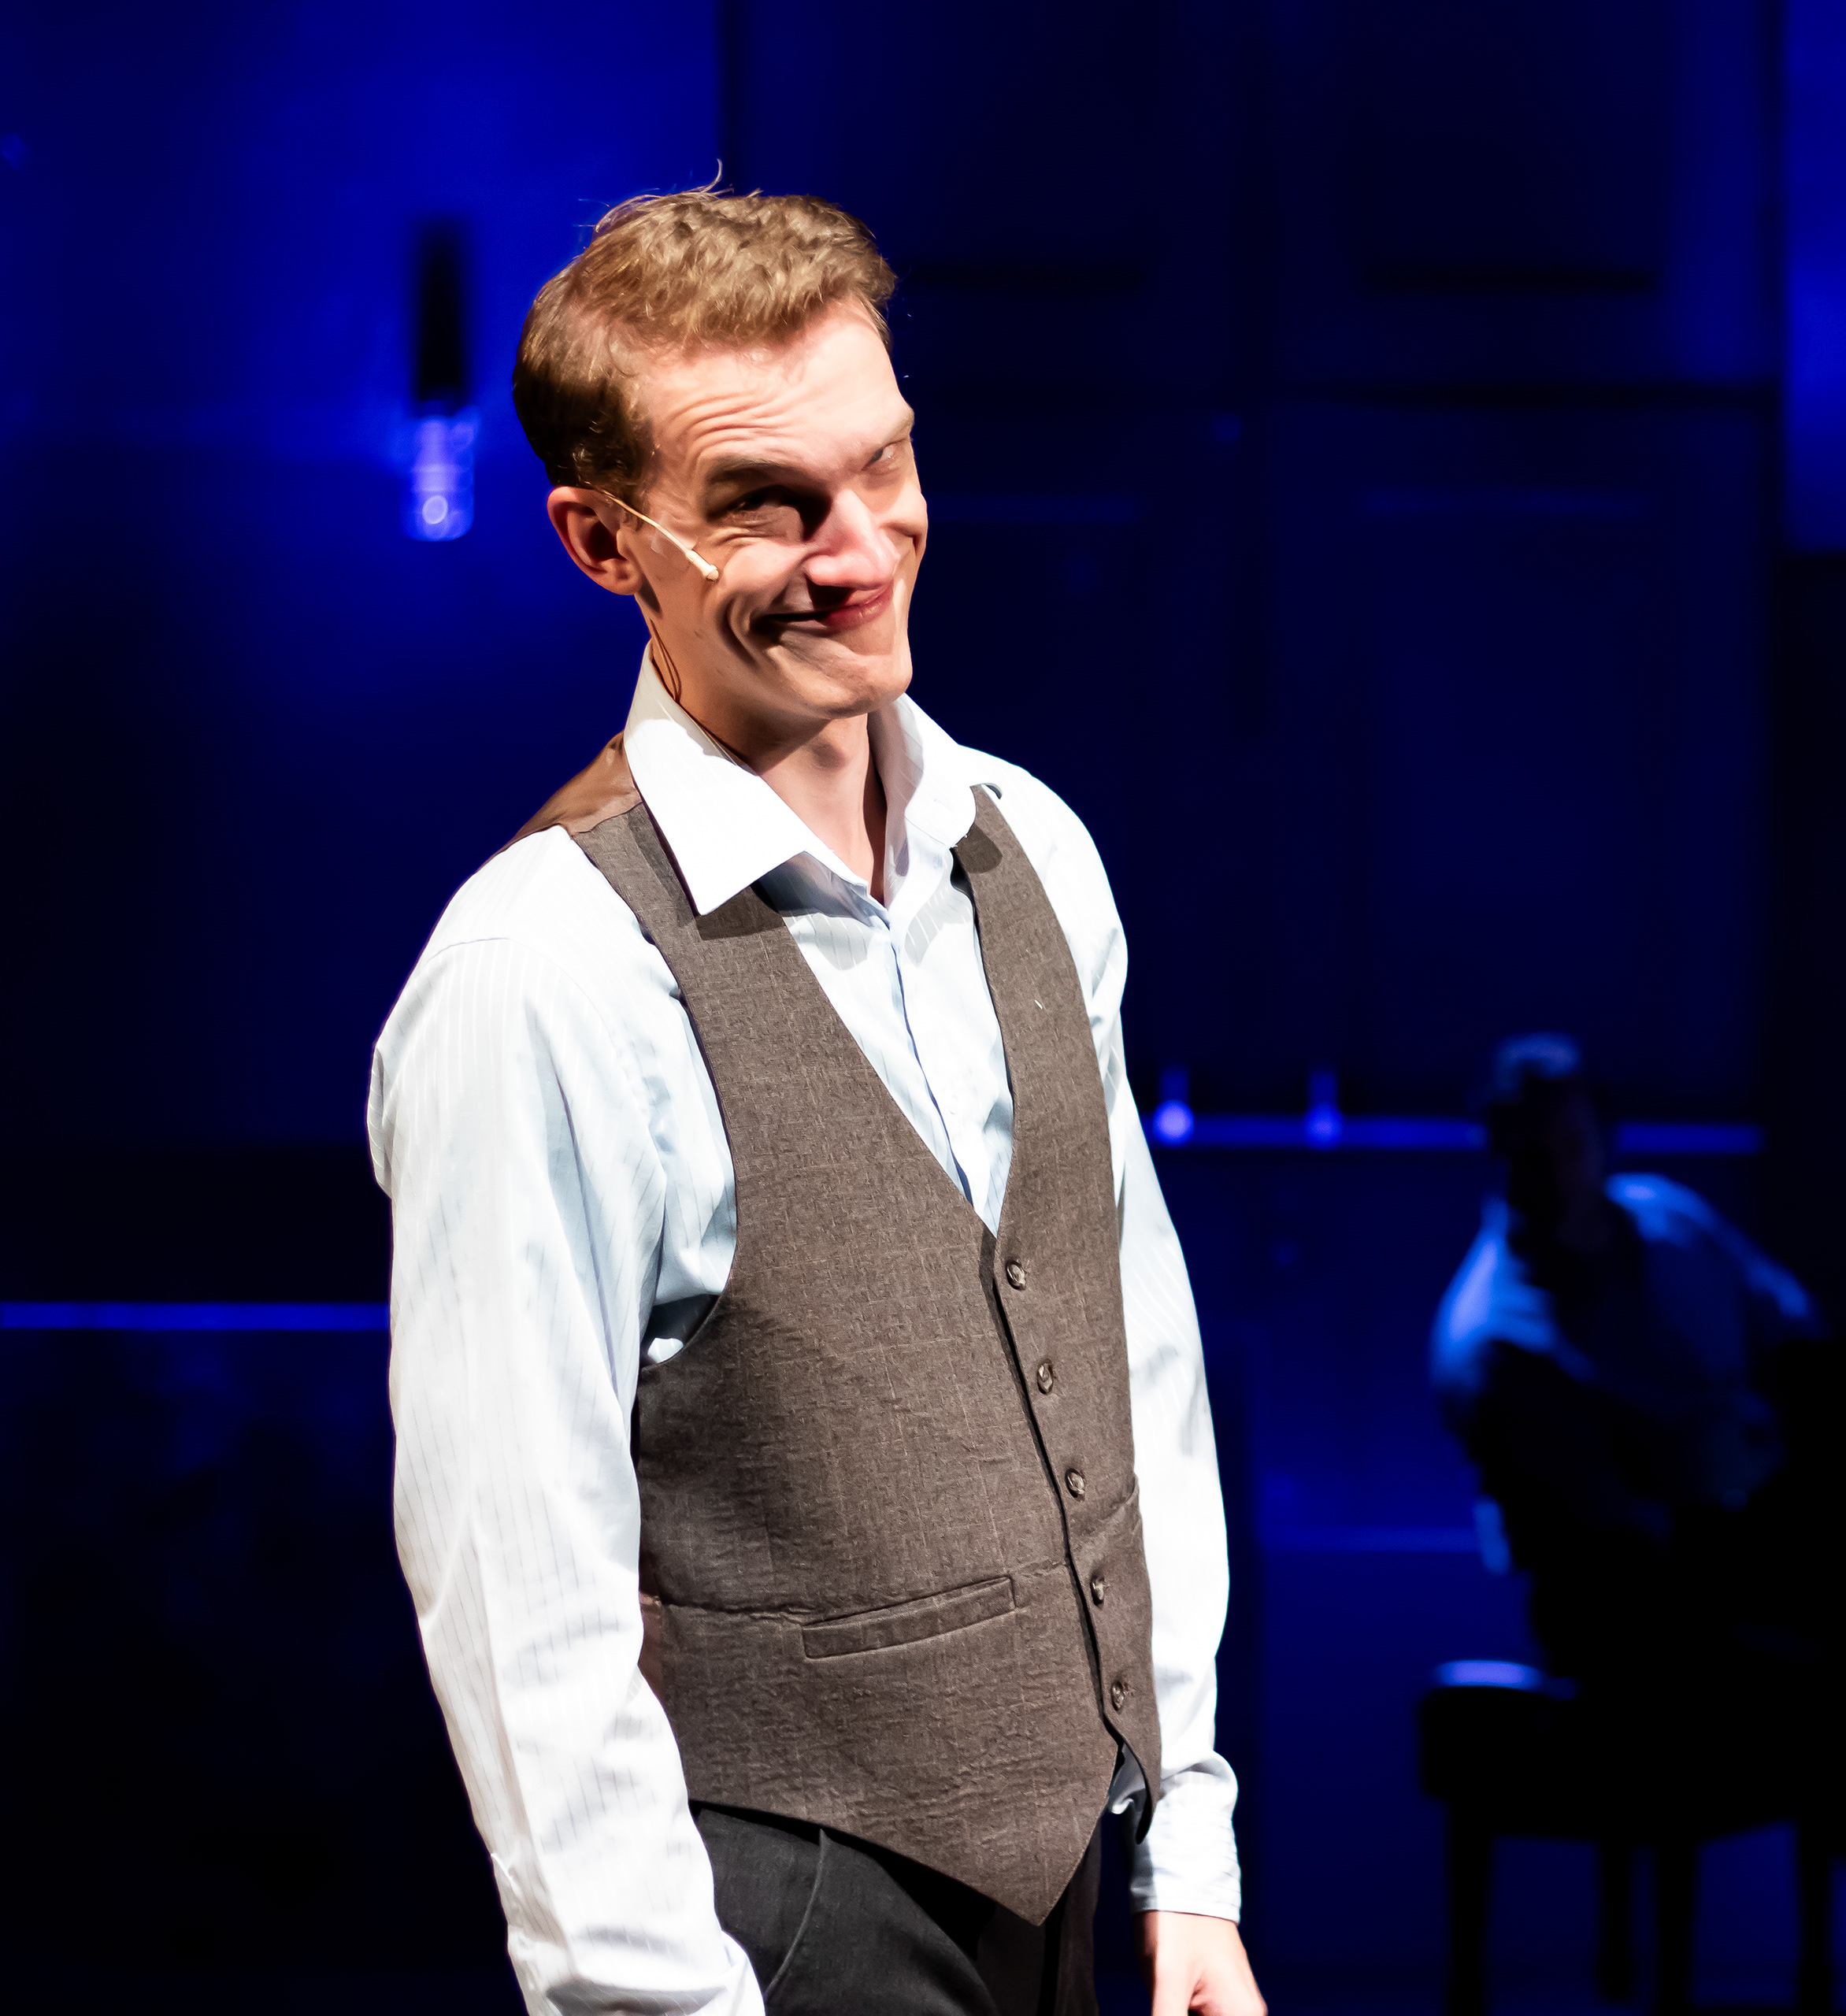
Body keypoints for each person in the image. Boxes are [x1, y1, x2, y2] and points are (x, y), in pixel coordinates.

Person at [369, 189, 1262, 2016]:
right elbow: (520, 1591)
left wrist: (1187, 1844)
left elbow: (1132, 1365)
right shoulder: (545, 971)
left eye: (884, 464)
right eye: (768, 502)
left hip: (1064, 1892)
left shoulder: (1032, 850)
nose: (860, 548)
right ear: (603, 542)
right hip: (772, 1922)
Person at [1430, 1034, 1820, 1682]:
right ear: (1497, 1155)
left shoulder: (1671, 1219)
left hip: (1782, 1551)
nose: (1559, 1177)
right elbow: (1613, 1548)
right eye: (1533, 1157)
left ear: (1604, 1138)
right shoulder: (1489, 1345)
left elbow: (1796, 1339)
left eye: (1572, 1147)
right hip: (1642, 1635)